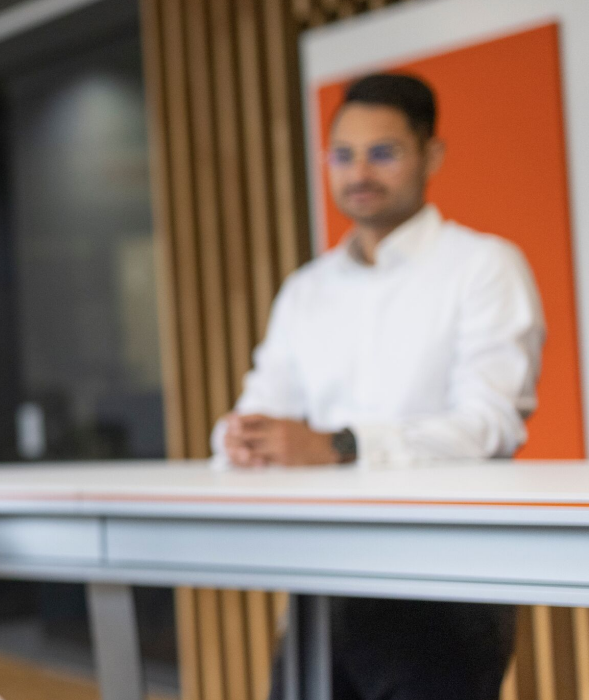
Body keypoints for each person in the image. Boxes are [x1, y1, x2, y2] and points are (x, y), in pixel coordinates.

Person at [217, 73, 535, 699]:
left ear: (431, 156)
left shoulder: (483, 266)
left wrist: (339, 445)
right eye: (344, 154)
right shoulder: (306, 290)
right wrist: (246, 439)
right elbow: (263, 404)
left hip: (444, 587)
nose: (359, 171)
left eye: (383, 152)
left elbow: (489, 424)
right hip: (323, 582)